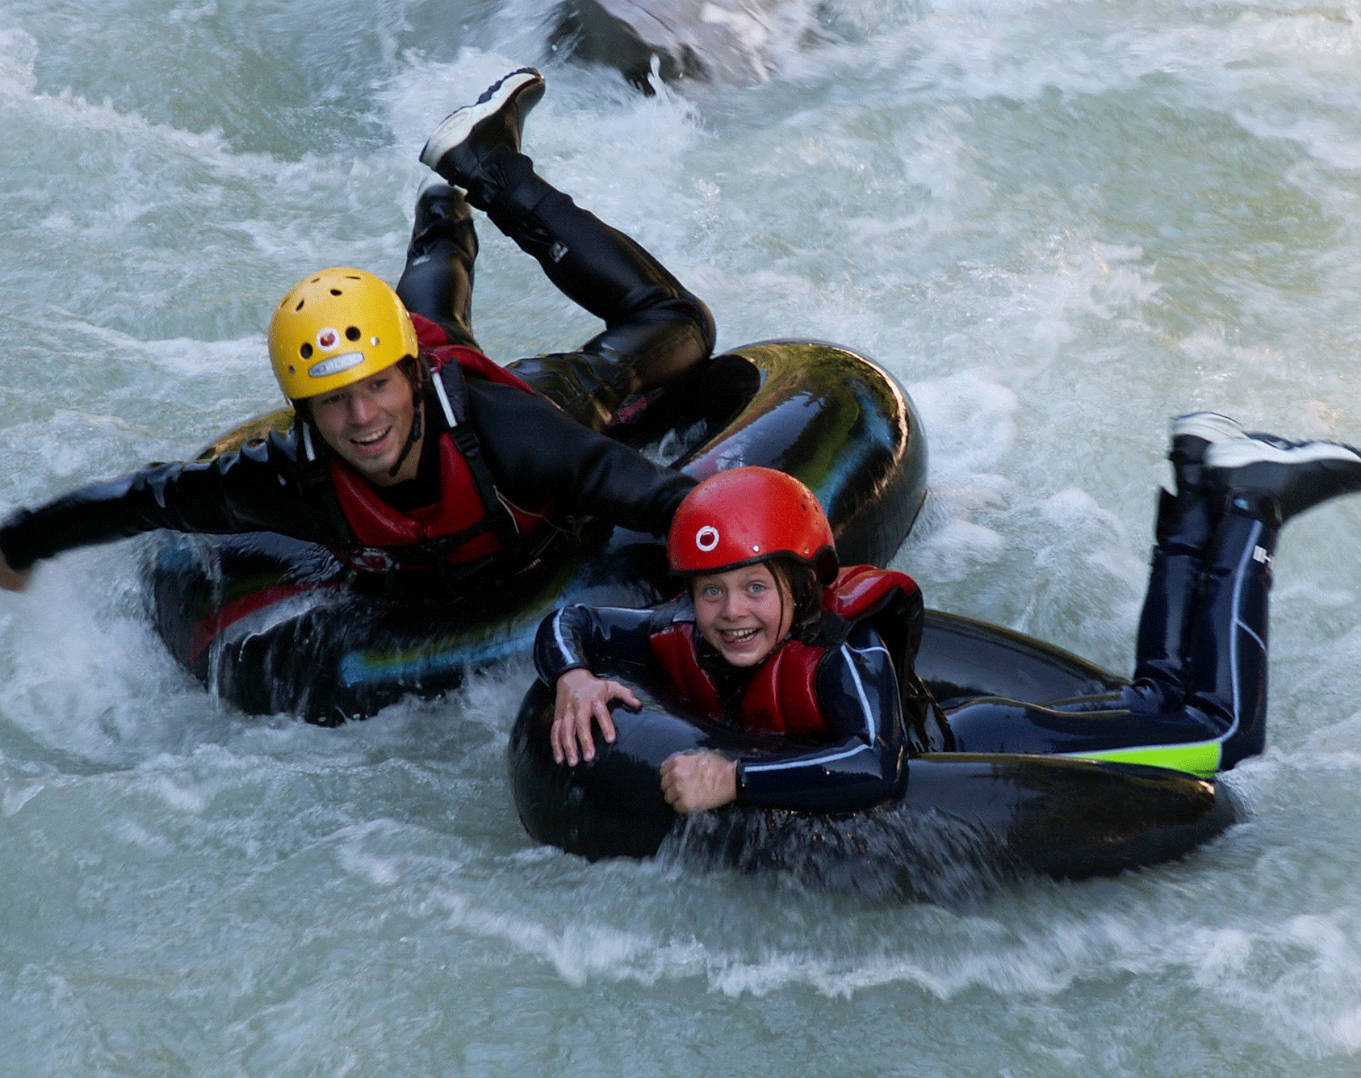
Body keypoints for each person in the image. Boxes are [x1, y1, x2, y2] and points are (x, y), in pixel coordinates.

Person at [0, 68, 714, 597]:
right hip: (416, 362)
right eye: (334, 399)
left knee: (677, 323)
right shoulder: (288, 476)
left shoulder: (518, 438)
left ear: (411, 378)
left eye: (375, 388)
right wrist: (22, 542)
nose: (362, 417)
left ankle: (488, 170)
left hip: (536, 399)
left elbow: (668, 503)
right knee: (428, 315)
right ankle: (446, 194)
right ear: (304, 411)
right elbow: (149, 497)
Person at [533, 417, 1361, 814]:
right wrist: (571, 675)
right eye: (710, 590)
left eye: (755, 588)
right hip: (976, 722)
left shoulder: (840, 656)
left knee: (1222, 739)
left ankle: (1252, 510)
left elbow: (872, 766)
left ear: (802, 583)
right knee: (1157, 699)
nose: (731, 612)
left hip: (997, 746)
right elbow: (575, 623)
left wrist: (734, 777)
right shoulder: (682, 633)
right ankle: (1199, 478)